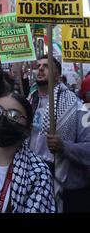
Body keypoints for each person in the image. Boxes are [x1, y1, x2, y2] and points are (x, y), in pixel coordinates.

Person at [29, 55, 90, 212]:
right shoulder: (28, 102)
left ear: (57, 75)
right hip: (34, 182)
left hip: (68, 188)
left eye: (46, 66)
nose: (40, 68)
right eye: (38, 66)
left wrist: (64, 147)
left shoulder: (77, 107)